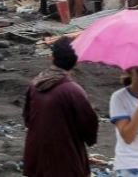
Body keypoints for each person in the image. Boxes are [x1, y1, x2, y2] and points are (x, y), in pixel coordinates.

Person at [23, 37, 99, 177]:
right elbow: (89, 125)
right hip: (66, 158)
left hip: (37, 155)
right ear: (76, 61)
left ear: (52, 58)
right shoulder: (73, 91)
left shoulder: (35, 85)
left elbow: (28, 119)